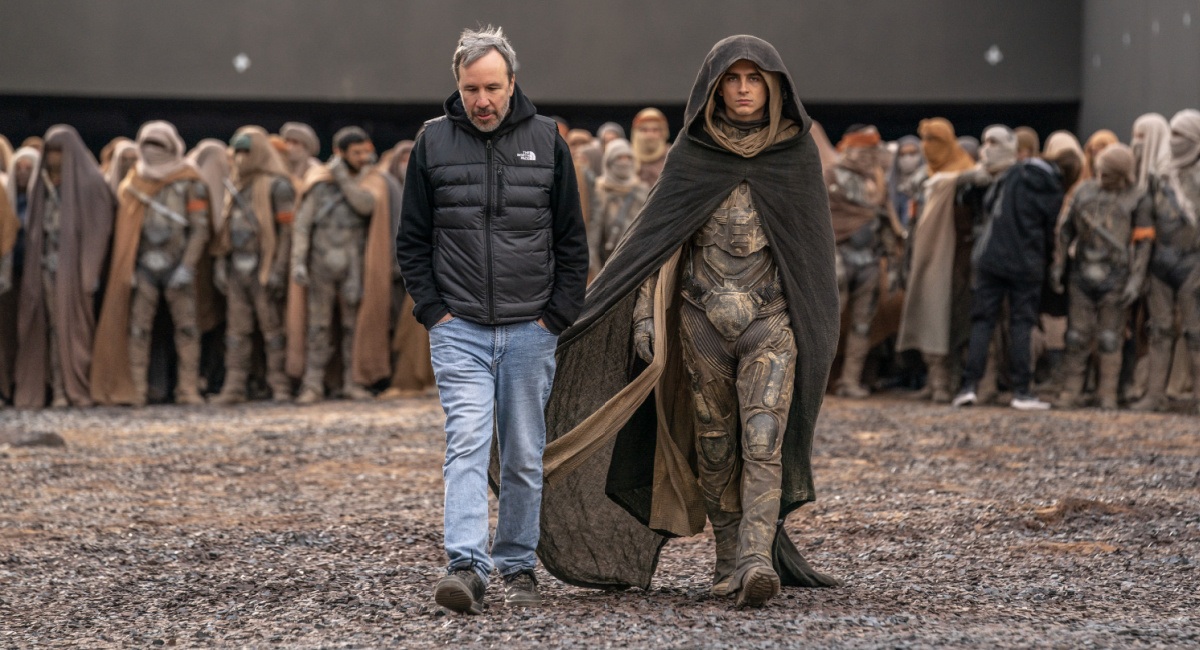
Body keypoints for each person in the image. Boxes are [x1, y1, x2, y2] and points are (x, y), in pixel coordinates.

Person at [531, 35, 840, 609]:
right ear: (715, 87)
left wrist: (816, 328)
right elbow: (653, 242)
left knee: (763, 439)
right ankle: (728, 558)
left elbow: (812, 257)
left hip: (770, 320)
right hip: (700, 322)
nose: (744, 88)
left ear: (773, 87)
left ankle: (755, 559)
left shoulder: (794, 154)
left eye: (755, 78)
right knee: (717, 447)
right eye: (733, 78)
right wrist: (645, 319)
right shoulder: (693, 153)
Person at [396, 25, 588, 613]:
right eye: (471, 88)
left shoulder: (549, 140)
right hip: (462, 330)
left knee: (526, 453)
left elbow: (571, 241)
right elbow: (413, 241)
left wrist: (554, 317)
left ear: (512, 84)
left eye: (493, 88)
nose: (482, 100)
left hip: (531, 328)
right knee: (468, 444)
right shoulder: (430, 144)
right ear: (457, 84)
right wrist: (437, 313)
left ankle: (517, 565)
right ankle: (466, 566)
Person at [91, 121, 211, 407]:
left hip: (177, 264)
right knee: (137, 329)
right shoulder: (133, 181)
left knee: (187, 329)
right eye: (147, 144)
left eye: (158, 144)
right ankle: (137, 389)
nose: (151, 150)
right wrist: (126, 266)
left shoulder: (190, 181)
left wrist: (188, 265)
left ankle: (188, 388)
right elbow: (124, 228)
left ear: (171, 146)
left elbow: (200, 228)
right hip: (144, 265)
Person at [952, 131, 1064, 410]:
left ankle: (969, 387)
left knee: (982, 321)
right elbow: (1051, 229)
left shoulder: (1007, 178)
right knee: (1022, 324)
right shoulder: (1051, 187)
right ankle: (1022, 391)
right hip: (1027, 262)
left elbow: (988, 207)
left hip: (989, 259)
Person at [11, 126, 115, 409]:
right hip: (46, 267)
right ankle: (57, 388)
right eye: (51, 151)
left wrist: (88, 271)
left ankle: (78, 386)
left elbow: (98, 230)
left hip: (76, 273)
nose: (55, 158)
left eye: (59, 152)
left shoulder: (91, 183)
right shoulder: (41, 185)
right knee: (53, 329)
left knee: (76, 330)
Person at [290, 126, 394, 404]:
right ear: (340, 153)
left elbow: (365, 205)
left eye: (365, 151)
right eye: (356, 152)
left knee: (353, 326)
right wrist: (298, 261)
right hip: (320, 263)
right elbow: (302, 224)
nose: (363, 157)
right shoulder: (318, 180)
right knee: (318, 326)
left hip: (354, 264)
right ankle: (313, 384)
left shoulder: (370, 180)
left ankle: (352, 381)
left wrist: (344, 178)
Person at [1051, 144, 1151, 409]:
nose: (1103, 178)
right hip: (1082, 271)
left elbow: (1143, 243)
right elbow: (1065, 229)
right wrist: (1059, 264)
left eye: (1109, 174)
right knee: (1076, 335)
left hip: (1116, 275)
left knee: (1110, 337)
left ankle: (1107, 392)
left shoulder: (1137, 197)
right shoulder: (1084, 191)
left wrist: (1136, 279)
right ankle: (1071, 390)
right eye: (1101, 172)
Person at [209, 126, 296, 404]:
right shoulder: (234, 184)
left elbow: (286, 234)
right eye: (237, 151)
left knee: (273, 332)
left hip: (264, 265)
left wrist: (277, 269)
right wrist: (221, 264)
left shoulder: (278, 185)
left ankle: (279, 385)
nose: (241, 157)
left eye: (247, 150)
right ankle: (234, 387)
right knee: (236, 332)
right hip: (237, 266)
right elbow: (225, 230)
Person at [896, 118, 976, 402]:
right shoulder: (925, 176)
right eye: (925, 140)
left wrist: (953, 181)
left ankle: (950, 382)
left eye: (935, 140)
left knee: (952, 319)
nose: (928, 147)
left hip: (958, 261)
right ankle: (936, 380)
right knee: (928, 314)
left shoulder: (964, 173)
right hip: (927, 257)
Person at [1132, 109, 1200, 412]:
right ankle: (1154, 394)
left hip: (1193, 265)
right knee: (1158, 330)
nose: (1172, 142)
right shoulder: (1158, 178)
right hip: (1160, 264)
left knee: (1196, 333)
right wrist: (1139, 272)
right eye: (1170, 134)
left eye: (1179, 135)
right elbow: (1145, 228)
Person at [828, 125, 902, 397]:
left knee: (862, 324)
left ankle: (850, 380)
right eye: (863, 151)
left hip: (870, 260)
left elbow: (885, 218)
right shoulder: (830, 176)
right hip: (838, 257)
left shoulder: (878, 180)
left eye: (873, 152)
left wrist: (892, 253)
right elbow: (824, 218)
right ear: (849, 149)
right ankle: (816, 381)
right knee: (828, 323)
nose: (868, 157)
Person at [0, 147, 39, 405]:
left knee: (32, 330)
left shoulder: (45, 199)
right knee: (6, 331)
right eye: (19, 168)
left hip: (34, 273)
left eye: (29, 169)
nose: (23, 174)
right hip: (8, 274)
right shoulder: (5, 196)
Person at [587, 138, 647, 276]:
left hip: (637, 263)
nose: (624, 162)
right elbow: (593, 234)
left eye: (628, 158)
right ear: (609, 161)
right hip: (606, 264)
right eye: (619, 158)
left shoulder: (642, 190)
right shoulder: (598, 190)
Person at [889, 135, 923, 227]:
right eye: (902, 154)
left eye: (912, 153)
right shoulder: (889, 183)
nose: (907, 158)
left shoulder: (927, 180)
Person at [632, 107, 670, 186]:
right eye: (644, 130)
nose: (649, 135)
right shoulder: (626, 156)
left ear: (663, 133)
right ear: (635, 133)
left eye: (655, 130)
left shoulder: (672, 157)